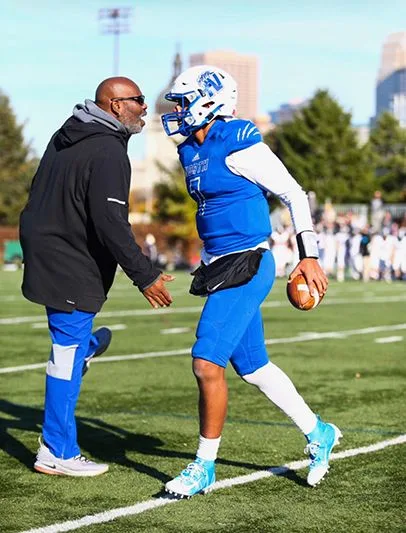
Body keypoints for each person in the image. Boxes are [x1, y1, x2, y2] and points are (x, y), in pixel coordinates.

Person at [161, 65, 341, 497]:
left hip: (249, 261)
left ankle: (204, 465)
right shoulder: (189, 150)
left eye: (184, 102)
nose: (178, 111)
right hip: (218, 265)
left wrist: (309, 254)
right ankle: (319, 432)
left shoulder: (238, 139)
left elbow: (294, 193)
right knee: (254, 367)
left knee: (206, 363)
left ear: (209, 101)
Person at [20, 77, 174, 477]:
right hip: (69, 258)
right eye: (137, 100)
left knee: (69, 347)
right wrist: (145, 276)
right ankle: (56, 451)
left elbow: (40, 192)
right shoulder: (108, 150)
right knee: (64, 356)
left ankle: (84, 347)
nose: (144, 107)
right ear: (114, 105)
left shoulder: (67, 133)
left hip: (51, 250)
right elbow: (111, 223)